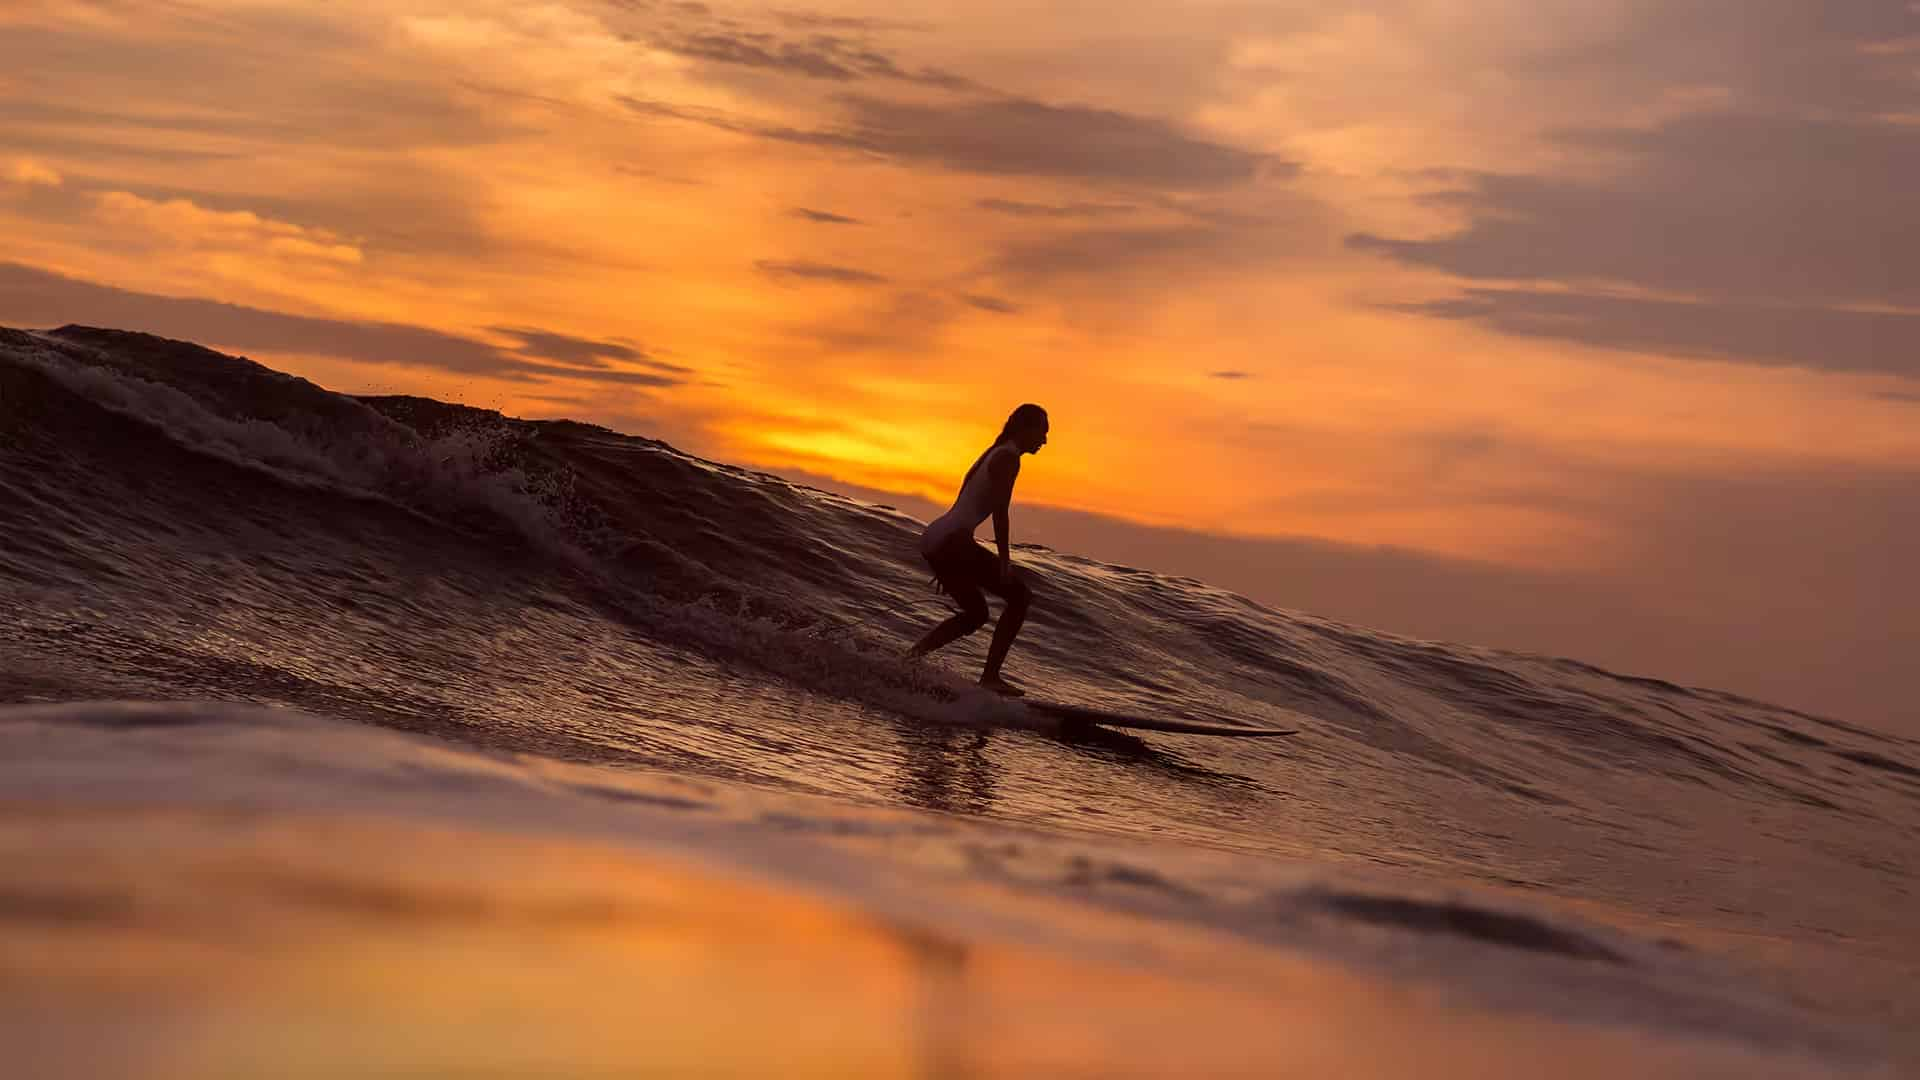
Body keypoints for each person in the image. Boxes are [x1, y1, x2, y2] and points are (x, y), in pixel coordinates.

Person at [908, 403, 1049, 695]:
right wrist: (1005, 562)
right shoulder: (1008, 458)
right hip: (952, 542)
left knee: (975, 615)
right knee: (1021, 596)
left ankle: (909, 660)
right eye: (1042, 432)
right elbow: (1000, 513)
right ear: (1026, 428)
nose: (1044, 440)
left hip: (942, 539)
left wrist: (949, 557)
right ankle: (990, 678)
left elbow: (964, 504)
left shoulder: (994, 451)